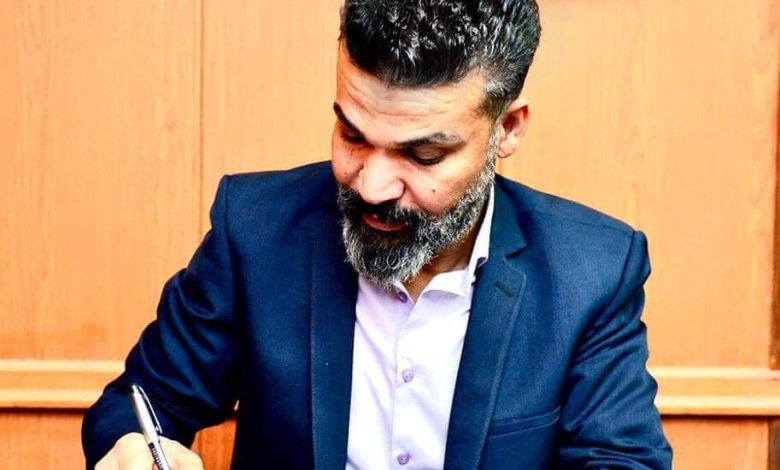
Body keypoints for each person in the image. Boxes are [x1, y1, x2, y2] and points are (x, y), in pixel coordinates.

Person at [82, 0, 672, 468]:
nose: (371, 186)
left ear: (508, 129)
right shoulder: (255, 232)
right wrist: (133, 451)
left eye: (422, 154)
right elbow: (140, 407)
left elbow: (622, 460)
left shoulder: (593, 271)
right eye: (353, 136)